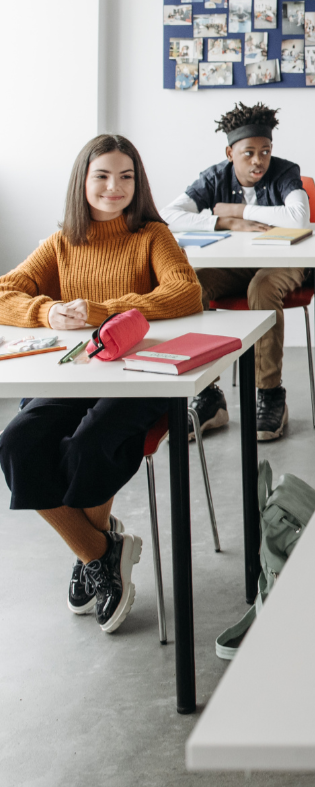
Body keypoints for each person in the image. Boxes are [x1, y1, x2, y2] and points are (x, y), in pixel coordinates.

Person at [0, 135, 205, 634]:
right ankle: (97, 551)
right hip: (76, 371)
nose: (115, 187)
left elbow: (186, 293)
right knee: (17, 443)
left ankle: (89, 553)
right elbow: (6, 291)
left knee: (90, 445)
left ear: (139, 184)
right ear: (82, 182)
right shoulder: (62, 242)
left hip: (140, 375)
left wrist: (104, 310)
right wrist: (46, 310)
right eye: (103, 176)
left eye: (126, 177)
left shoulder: (153, 235)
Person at [160, 102, 310, 441]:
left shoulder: (285, 172)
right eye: (249, 153)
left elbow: (299, 217)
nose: (258, 161)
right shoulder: (213, 177)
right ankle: (209, 396)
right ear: (230, 152)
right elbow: (167, 215)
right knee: (190, 284)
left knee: (262, 288)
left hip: (283, 262)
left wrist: (239, 208)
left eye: (265, 152)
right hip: (235, 265)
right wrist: (221, 220)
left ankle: (270, 394)